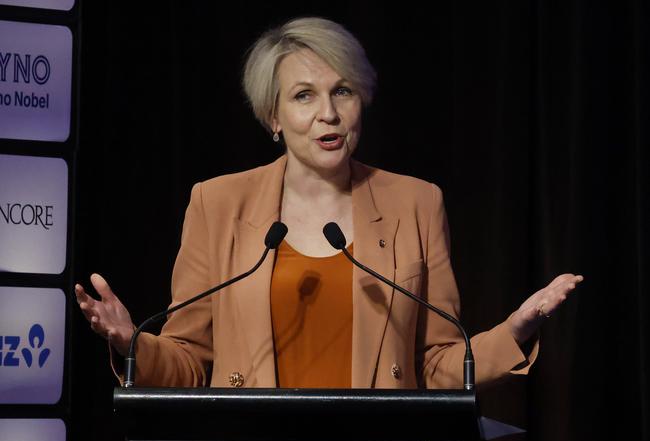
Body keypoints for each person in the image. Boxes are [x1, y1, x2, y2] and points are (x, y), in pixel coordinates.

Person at [75, 16, 583, 389]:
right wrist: (131, 343)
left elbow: (437, 363)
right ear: (272, 116)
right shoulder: (217, 204)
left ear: (361, 100)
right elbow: (189, 362)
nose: (328, 114)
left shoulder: (416, 203)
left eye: (342, 92)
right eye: (303, 96)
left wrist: (513, 332)